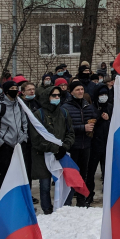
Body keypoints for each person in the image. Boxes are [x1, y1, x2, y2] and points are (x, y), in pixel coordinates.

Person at [29, 86, 75, 215]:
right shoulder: (38, 114)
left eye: (58, 95)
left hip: (61, 155)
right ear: (46, 97)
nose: (56, 98)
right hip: (43, 156)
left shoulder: (64, 113)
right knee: (45, 185)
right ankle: (47, 210)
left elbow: (70, 132)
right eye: (53, 95)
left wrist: (64, 147)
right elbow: (36, 138)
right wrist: (54, 148)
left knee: (65, 182)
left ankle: (65, 206)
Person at [61, 81, 99, 205]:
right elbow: (66, 127)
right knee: (72, 175)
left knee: (84, 173)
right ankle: (68, 201)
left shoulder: (88, 105)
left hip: (86, 145)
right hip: (73, 146)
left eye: (82, 89)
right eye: (77, 89)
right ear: (71, 92)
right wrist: (83, 128)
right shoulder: (66, 108)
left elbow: (94, 119)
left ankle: (81, 201)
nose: (81, 91)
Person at [0, 80, 28, 193]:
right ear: (6, 91)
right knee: (5, 172)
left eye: (16, 89)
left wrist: (24, 136)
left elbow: (24, 122)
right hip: (5, 145)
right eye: (12, 89)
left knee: (20, 172)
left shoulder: (20, 105)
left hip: (19, 144)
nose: (15, 91)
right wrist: (0, 142)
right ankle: (3, 195)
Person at [85, 83, 112, 206]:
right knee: (90, 172)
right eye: (101, 94)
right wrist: (100, 117)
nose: (104, 97)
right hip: (94, 145)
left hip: (108, 144)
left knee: (108, 171)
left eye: (106, 94)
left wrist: (109, 118)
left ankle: (108, 194)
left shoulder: (111, 107)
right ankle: (89, 195)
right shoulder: (91, 108)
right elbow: (89, 122)